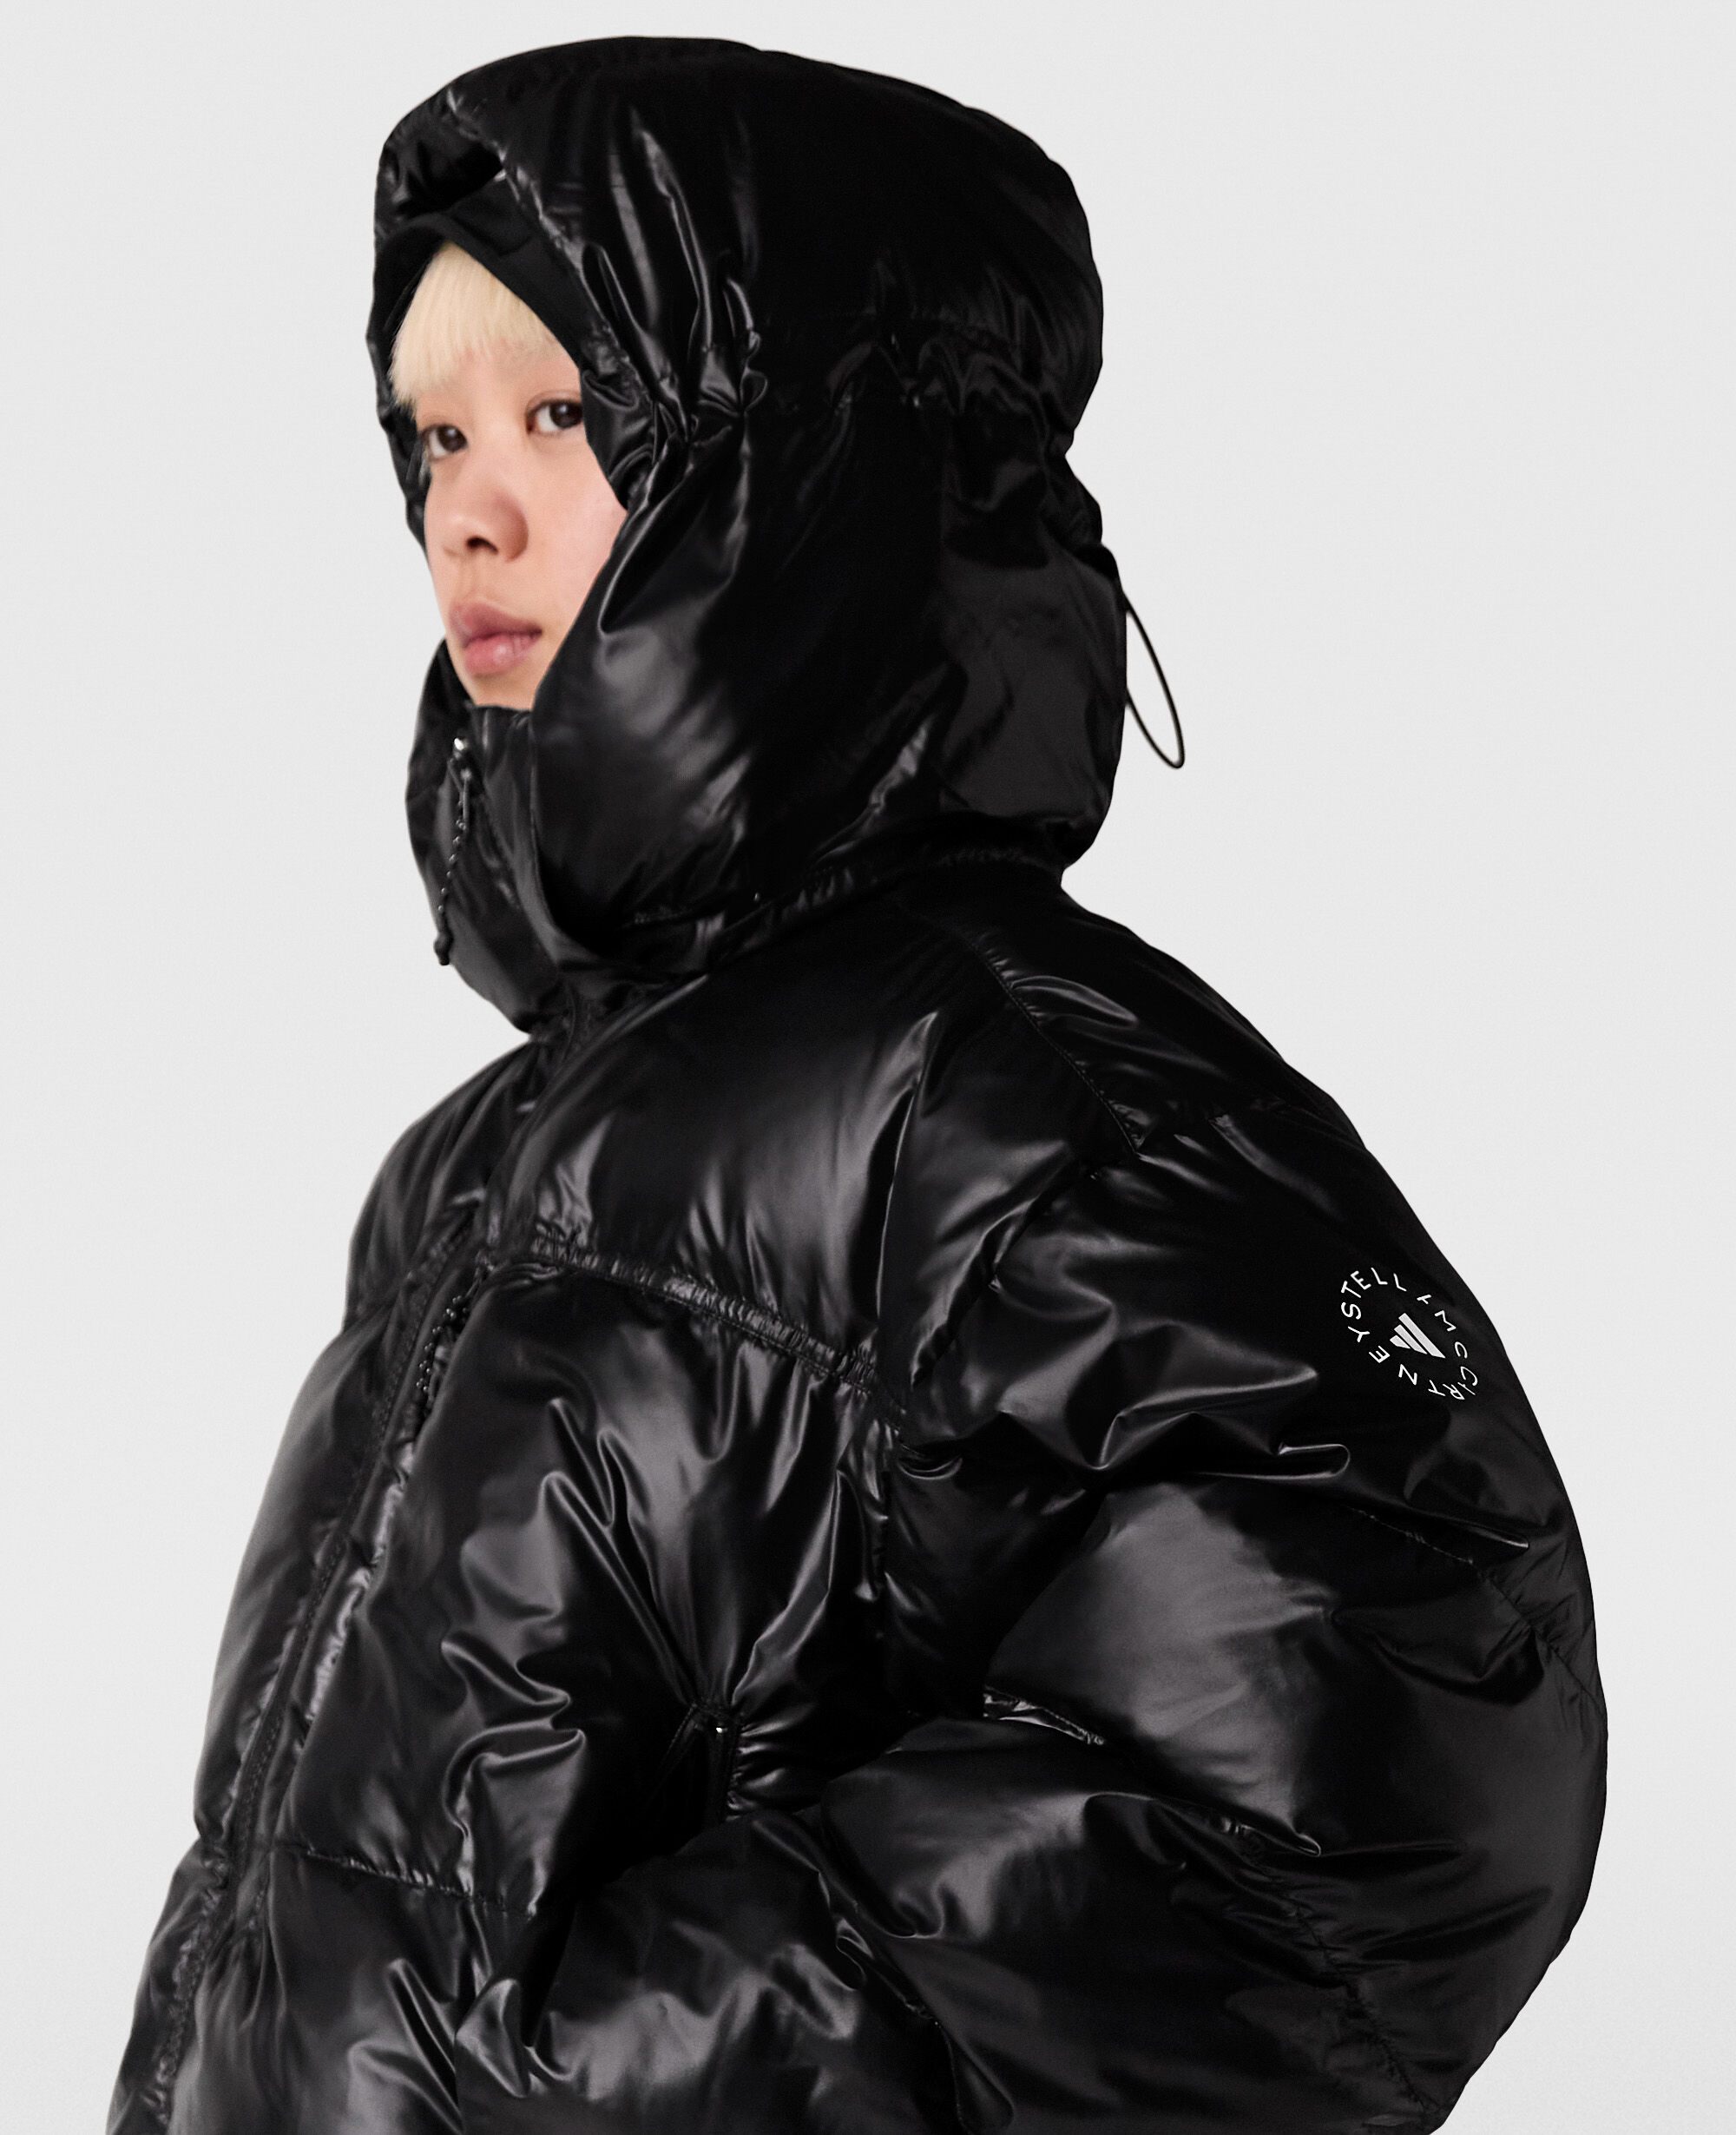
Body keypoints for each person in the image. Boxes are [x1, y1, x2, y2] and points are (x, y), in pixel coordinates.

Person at [111, 37, 1604, 2135]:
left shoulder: (1024, 1094)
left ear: (804, 470)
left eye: (566, 413)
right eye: (432, 433)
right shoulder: (467, 1163)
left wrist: (619, 2076)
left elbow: (1389, 1747)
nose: (470, 502)